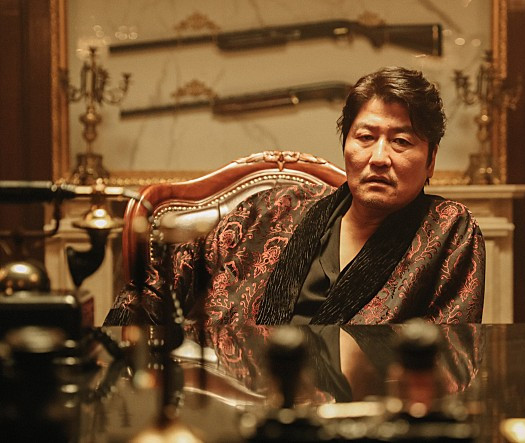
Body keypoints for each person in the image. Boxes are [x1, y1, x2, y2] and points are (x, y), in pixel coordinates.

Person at [105, 66, 485, 327]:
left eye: (401, 141)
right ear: (346, 145)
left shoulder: (447, 230)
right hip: (237, 398)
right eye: (365, 137)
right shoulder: (276, 207)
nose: (379, 157)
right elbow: (158, 282)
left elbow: (450, 353)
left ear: (431, 159)